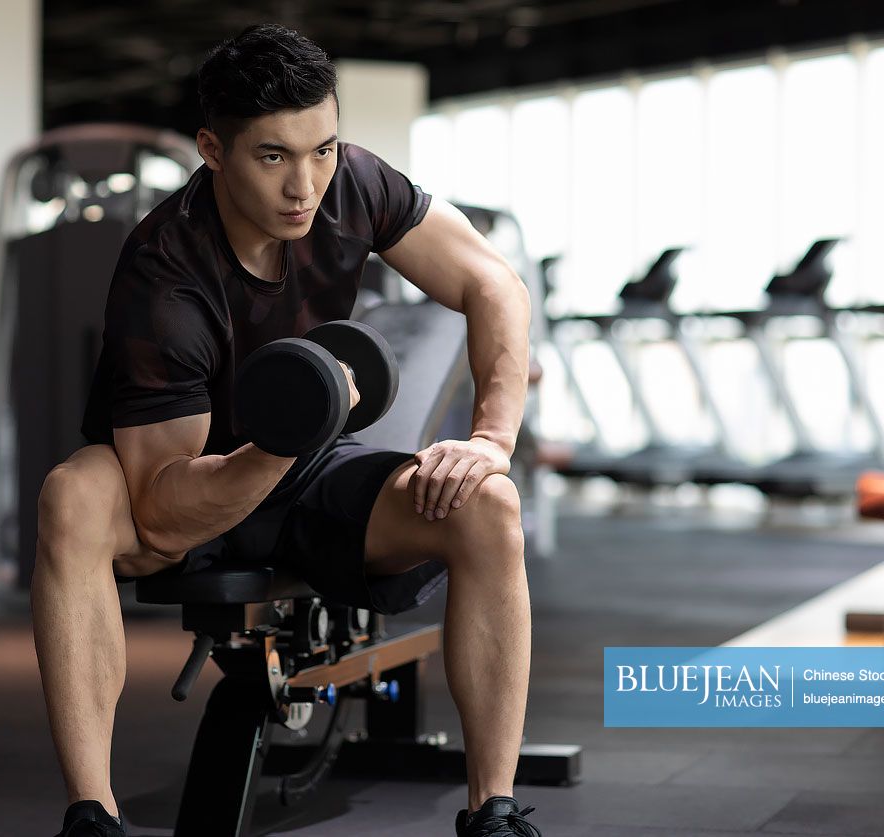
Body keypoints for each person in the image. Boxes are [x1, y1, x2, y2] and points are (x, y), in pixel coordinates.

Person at [32, 23, 539, 837]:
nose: (305, 184)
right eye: (273, 156)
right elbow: (161, 512)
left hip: (304, 461)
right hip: (174, 478)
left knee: (491, 505)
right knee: (73, 493)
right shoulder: (164, 273)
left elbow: (492, 282)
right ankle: (93, 816)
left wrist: (490, 440)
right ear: (213, 149)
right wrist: (280, 437)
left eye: (322, 149)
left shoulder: (350, 186)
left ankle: (494, 812)